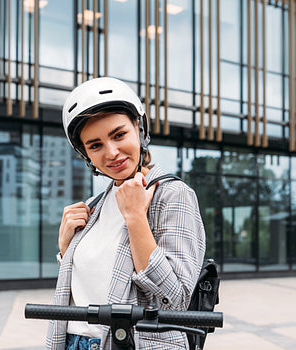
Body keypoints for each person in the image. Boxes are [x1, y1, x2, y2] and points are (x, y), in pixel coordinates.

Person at [46, 77, 206, 350]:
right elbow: (94, 285)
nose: (112, 152)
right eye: (95, 145)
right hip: (72, 342)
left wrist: (135, 218)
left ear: (139, 130)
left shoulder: (172, 195)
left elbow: (176, 298)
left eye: (119, 135)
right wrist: (67, 250)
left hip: (128, 343)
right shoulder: (94, 206)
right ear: (86, 155)